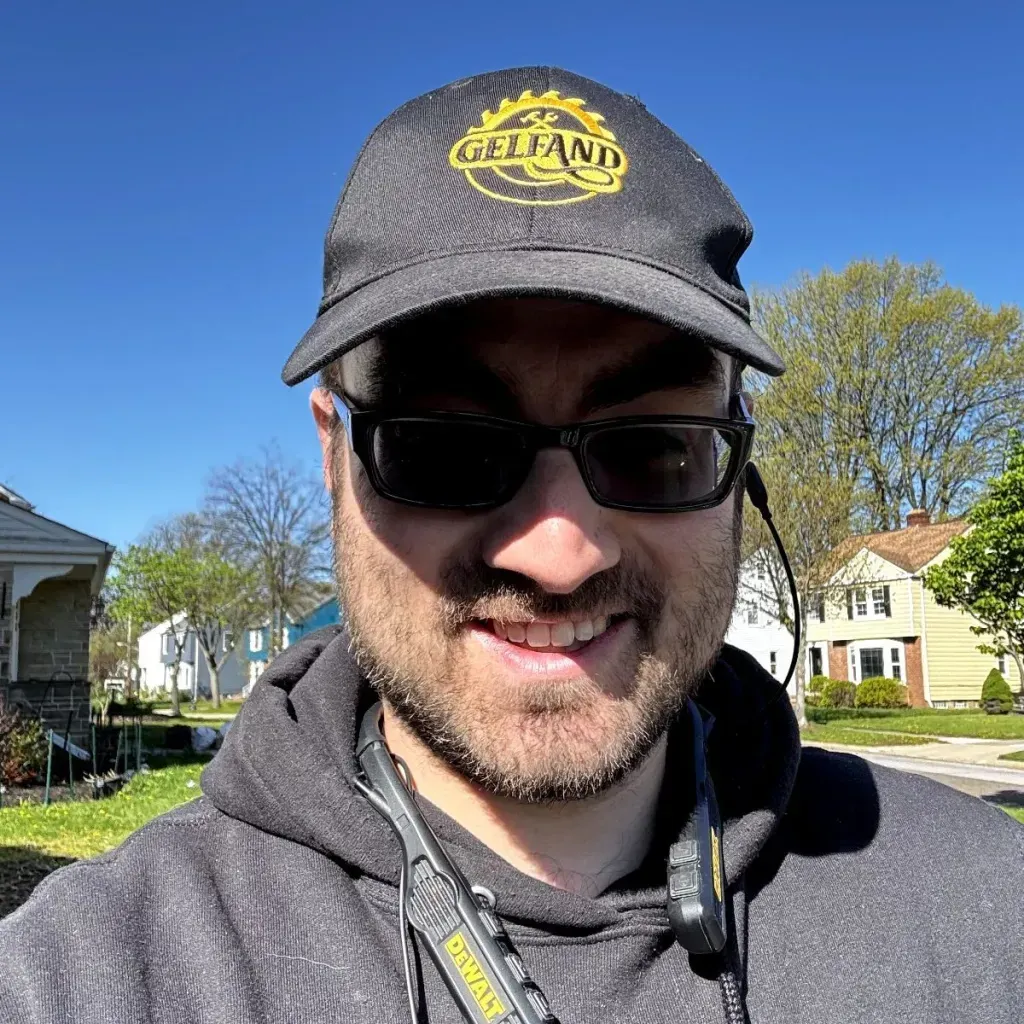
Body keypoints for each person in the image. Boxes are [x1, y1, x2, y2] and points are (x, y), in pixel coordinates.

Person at [1, 67, 1021, 1024]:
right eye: (444, 448)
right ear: (333, 454)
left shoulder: (985, 914)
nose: (557, 552)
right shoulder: (87, 977)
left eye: (655, 446)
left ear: (736, 453)